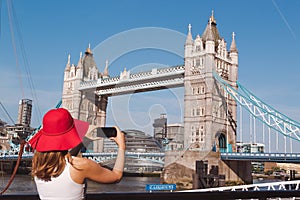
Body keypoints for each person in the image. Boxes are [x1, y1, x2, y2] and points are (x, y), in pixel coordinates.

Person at [28, 108, 126, 200]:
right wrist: (122, 147)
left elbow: (65, 162)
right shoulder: (80, 165)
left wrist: (83, 141)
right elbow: (116, 176)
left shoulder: (38, 164)